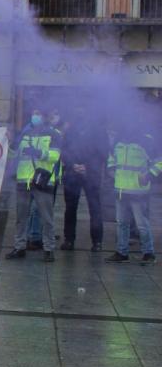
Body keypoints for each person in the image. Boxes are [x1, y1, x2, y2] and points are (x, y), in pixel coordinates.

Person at [7, 107, 62, 262]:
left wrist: (37, 152)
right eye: (34, 113)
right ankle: (19, 247)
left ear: (45, 117)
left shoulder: (54, 134)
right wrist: (11, 143)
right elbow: (13, 155)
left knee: (46, 218)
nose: (34, 116)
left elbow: (55, 156)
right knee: (21, 217)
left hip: (42, 181)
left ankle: (49, 249)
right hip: (24, 180)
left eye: (38, 114)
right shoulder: (24, 134)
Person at [105, 127, 162, 264]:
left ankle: (149, 253)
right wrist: (112, 172)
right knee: (122, 223)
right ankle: (122, 252)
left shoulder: (146, 141)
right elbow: (111, 160)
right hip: (121, 190)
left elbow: (160, 161)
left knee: (141, 224)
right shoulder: (117, 141)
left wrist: (149, 175)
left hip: (138, 191)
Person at [60, 106, 107, 252]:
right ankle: (69, 239)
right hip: (72, 173)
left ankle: (97, 241)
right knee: (70, 209)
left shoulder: (99, 131)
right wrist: (72, 164)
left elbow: (103, 152)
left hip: (91, 174)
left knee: (95, 208)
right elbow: (63, 150)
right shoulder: (71, 131)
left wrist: (87, 166)